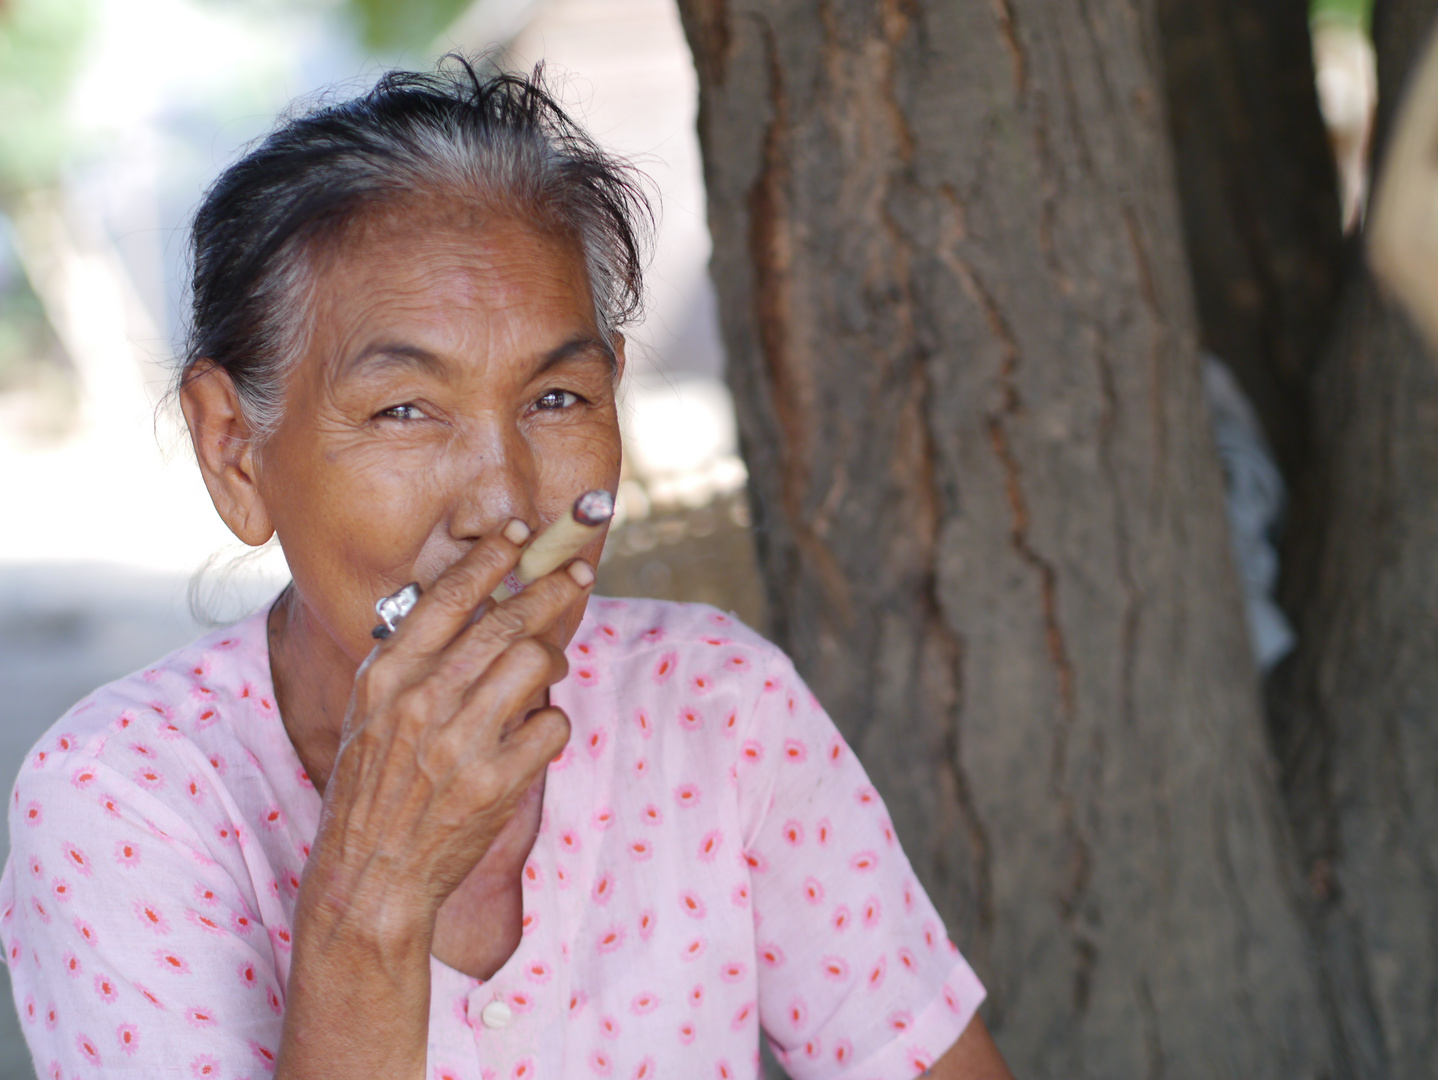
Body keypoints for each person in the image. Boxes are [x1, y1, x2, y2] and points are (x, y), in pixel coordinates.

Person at [0, 59, 1012, 1080]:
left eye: (557, 400)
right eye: (404, 410)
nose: (503, 502)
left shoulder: (717, 706)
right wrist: (371, 900)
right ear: (234, 450)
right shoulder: (124, 801)